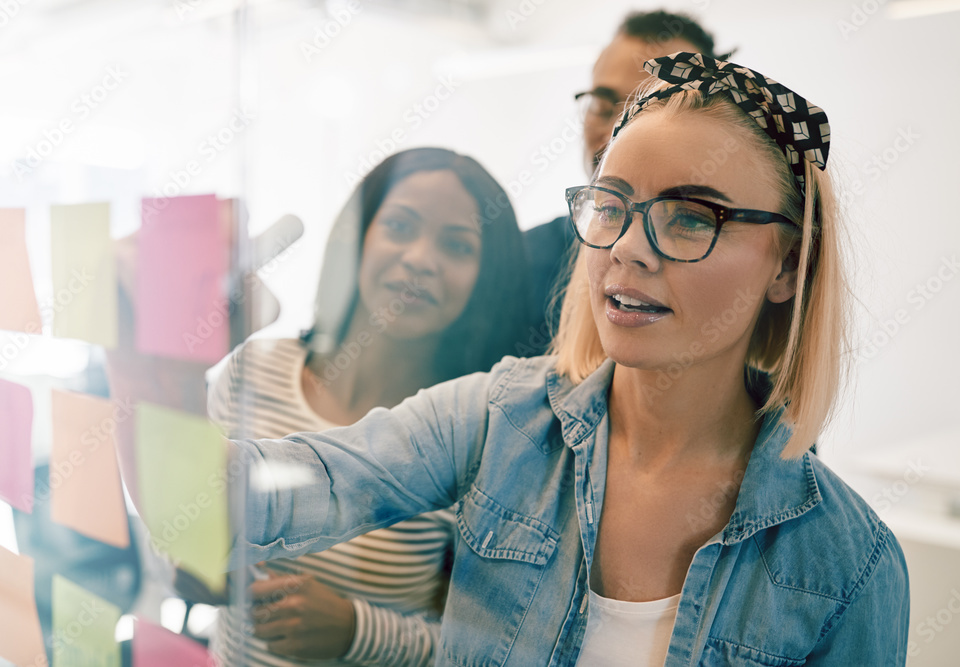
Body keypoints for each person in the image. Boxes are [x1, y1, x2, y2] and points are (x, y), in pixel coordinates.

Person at [219, 53, 910, 665]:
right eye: (612, 206)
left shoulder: (850, 566)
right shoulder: (499, 421)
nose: (628, 250)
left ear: (787, 264)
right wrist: (154, 342)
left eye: (693, 217)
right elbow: (237, 499)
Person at [208, 147, 533, 666]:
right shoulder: (256, 368)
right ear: (358, 237)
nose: (421, 258)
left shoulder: (479, 436)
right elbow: (173, 541)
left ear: (485, 280)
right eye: (400, 226)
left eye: (456, 245)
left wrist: (356, 631)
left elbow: (486, 646)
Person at [524, 10, 731, 349]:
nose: (615, 137)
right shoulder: (523, 260)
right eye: (603, 107)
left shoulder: (724, 285)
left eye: (649, 111)